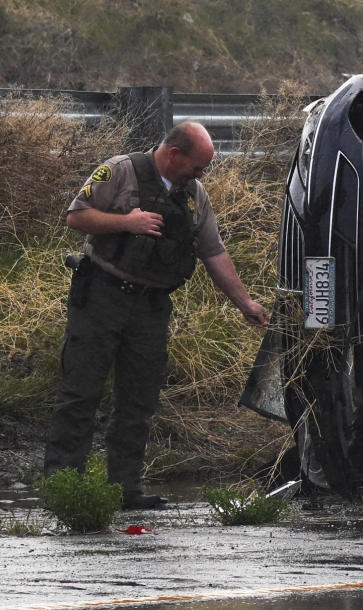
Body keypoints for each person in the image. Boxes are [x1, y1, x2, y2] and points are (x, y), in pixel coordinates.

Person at [44, 121, 269, 509]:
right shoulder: (120, 170)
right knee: (80, 393)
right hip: (101, 296)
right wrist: (126, 222)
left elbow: (213, 251)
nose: (200, 175)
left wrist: (244, 303)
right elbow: (76, 216)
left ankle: (124, 490)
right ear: (174, 154)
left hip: (150, 307)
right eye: (197, 167)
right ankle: (63, 490)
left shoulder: (195, 195)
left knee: (138, 399)